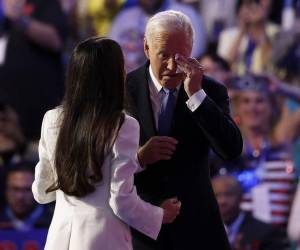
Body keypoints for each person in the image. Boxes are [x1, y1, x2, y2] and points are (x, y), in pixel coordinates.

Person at [32, 37, 180, 250]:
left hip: (59, 239)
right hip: (104, 240)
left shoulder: (52, 119)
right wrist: (159, 215)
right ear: (113, 76)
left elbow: (42, 191)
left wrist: (137, 159)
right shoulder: (123, 124)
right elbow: (120, 200)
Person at [126, 10, 243, 250]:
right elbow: (101, 158)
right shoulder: (121, 90)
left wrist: (196, 96)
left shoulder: (210, 91)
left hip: (197, 228)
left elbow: (231, 149)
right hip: (138, 228)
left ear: (191, 49)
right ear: (146, 48)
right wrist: (139, 157)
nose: (172, 66)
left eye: (180, 56)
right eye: (164, 55)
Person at [109, 0, 207, 72]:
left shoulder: (186, 14)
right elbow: (111, 55)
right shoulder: (124, 17)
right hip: (132, 84)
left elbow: (195, 55)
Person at [212, 174, 288, 250]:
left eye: (228, 194)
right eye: (216, 195)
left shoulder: (266, 233)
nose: (222, 201)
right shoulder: (203, 233)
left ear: (241, 197)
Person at [0, 161, 52, 231]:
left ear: (39, 190)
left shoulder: (54, 222)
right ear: (5, 190)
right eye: (15, 189)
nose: (20, 197)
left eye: (27, 190)